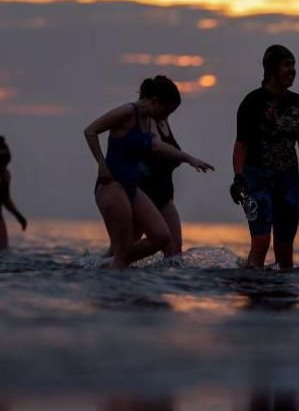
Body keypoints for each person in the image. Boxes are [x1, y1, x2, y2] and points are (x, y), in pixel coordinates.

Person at [84, 75, 213, 269]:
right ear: (155, 102)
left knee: (161, 236)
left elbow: (157, 146)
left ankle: (102, 266)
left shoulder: (147, 121)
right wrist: (101, 164)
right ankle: (110, 279)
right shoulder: (128, 111)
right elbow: (90, 131)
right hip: (113, 185)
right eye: (165, 112)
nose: (165, 118)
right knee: (121, 250)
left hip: (131, 186)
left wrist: (189, 159)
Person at [229, 44, 299, 270]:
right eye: (287, 65)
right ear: (271, 69)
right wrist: (238, 177)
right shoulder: (252, 102)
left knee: (285, 248)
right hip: (256, 180)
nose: (292, 70)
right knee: (261, 241)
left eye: (294, 65)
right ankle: (252, 286)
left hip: (288, 181)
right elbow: (241, 144)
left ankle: (282, 288)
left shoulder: (298, 103)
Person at [135, 109, 187, 258]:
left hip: (164, 194)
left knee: (174, 250)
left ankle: (167, 276)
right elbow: (156, 146)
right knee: (125, 246)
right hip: (146, 193)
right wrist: (188, 158)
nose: (169, 113)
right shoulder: (149, 120)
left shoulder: (163, 121)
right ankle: (99, 265)